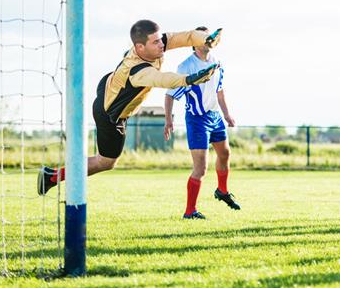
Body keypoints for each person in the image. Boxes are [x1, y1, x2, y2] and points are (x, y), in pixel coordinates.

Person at [37, 20, 222, 195]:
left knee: (107, 161)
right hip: (110, 115)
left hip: (109, 88)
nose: (162, 45)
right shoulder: (138, 72)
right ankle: (51, 177)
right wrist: (188, 79)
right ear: (140, 47)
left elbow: (186, 37)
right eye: (156, 42)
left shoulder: (151, 46)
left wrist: (205, 39)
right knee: (106, 162)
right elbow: (162, 79)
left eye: (160, 39)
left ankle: (52, 176)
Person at [164, 26, 239, 219]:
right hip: (197, 120)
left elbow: (219, 91)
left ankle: (222, 191)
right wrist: (168, 121)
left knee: (225, 153)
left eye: (209, 37)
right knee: (201, 168)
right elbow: (170, 94)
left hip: (215, 117)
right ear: (195, 42)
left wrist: (227, 114)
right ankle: (190, 211)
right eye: (204, 37)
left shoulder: (217, 62)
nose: (208, 40)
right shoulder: (186, 67)